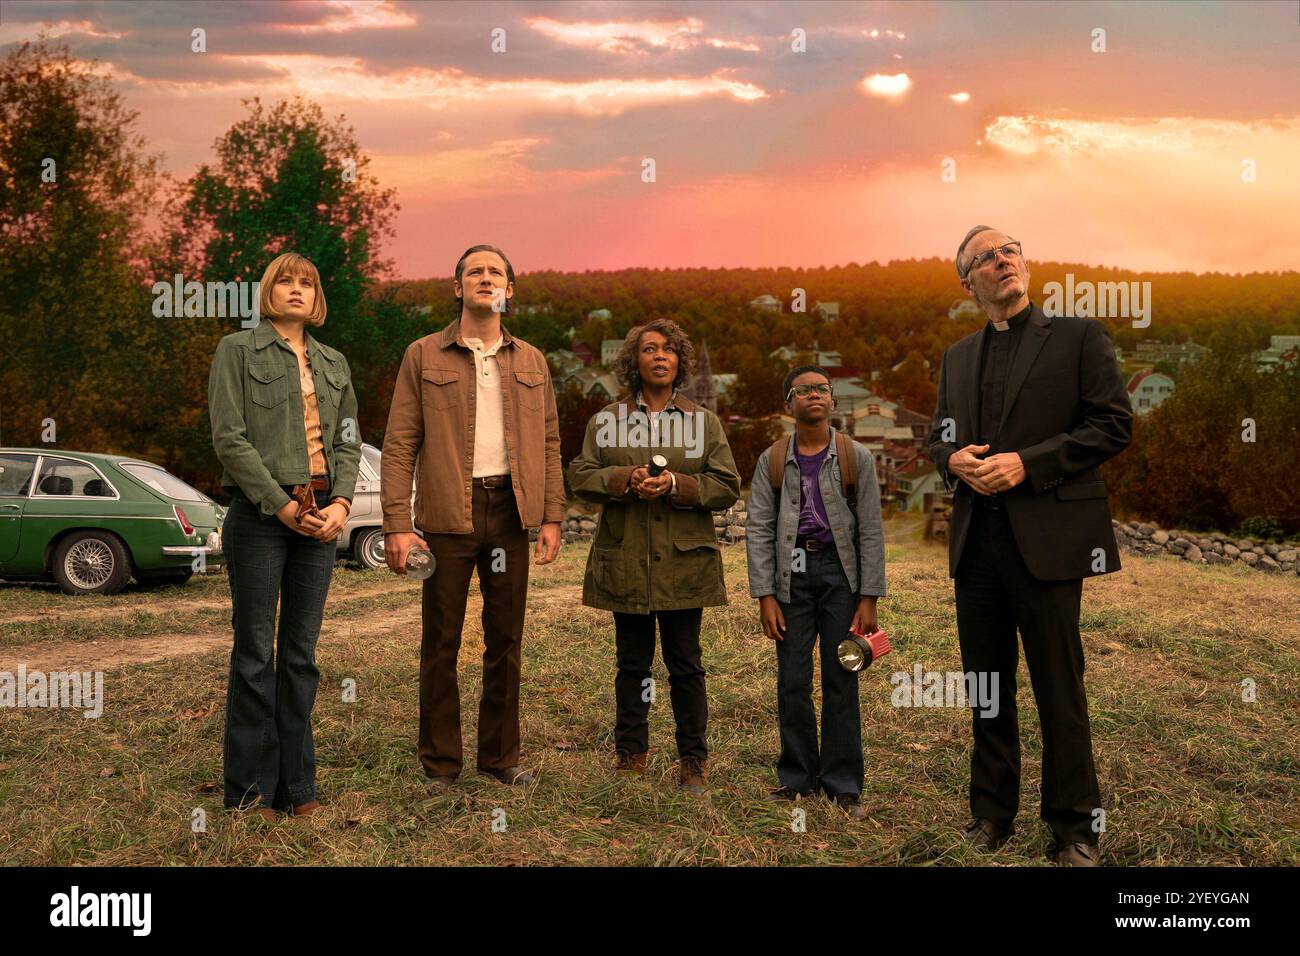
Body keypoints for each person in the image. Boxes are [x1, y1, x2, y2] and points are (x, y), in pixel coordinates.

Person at [927, 226, 1132, 866]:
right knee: (987, 687)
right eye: (986, 257)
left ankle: (1075, 829)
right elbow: (940, 436)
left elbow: (1113, 425)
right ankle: (991, 815)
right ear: (970, 284)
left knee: (1058, 689)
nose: (1003, 259)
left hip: (1047, 541)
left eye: (1010, 248)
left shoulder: (1077, 337)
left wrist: (1028, 464)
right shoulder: (958, 356)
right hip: (976, 546)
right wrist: (950, 458)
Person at [381, 244, 563, 792]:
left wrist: (551, 515)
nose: (486, 279)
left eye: (496, 272)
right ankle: (440, 764)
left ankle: (499, 759)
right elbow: (398, 444)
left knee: (505, 638)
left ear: (509, 289)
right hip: (445, 516)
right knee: (442, 640)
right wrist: (396, 523)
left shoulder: (532, 360)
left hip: (509, 512)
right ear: (457, 287)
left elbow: (550, 442)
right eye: (475, 272)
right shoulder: (423, 354)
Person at [208, 251, 360, 820]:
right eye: (285, 281)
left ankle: (297, 789)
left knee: (301, 656)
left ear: (317, 299)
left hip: (320, 515)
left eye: (306, 283)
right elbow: (229, 438)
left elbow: (347, 440)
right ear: (268, 291)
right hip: (260, 518)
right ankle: (250, 792)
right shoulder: (236, 351)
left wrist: (342, 502)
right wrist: (277, 505)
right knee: (255, 654)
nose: (296, 289)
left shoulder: (334, 362)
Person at [567, 319, 740, 795]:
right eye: (649, 349)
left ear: (680, 362)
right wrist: (624, 479)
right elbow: (580, 475)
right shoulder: (607, 420)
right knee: (632, 665)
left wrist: (676, 485)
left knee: (686, 664)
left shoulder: (704, 422)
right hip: (628, 561)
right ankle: (631, 754)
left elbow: (727, 486)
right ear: (634, 361)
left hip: (685, 563)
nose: (660, 356)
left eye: (669, 350)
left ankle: (693, 760)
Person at [745, 366, 886, 820]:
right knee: (792, 679)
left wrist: (869, 595)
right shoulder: (771, 460)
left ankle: (844, 784)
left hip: (839, 573)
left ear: (832, 400)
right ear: (789, 403)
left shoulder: (854, 456)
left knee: (841, 677)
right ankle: (797, 778)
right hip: (791, 576)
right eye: (802, 390)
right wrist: (765, 594)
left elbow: (871, 528)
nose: (814, 396)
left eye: (821, 389)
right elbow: (760, 530)